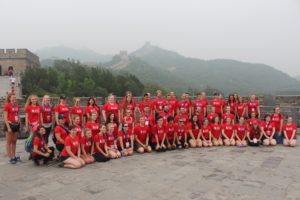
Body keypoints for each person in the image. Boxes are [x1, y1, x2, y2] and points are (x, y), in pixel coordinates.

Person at [3, 93, 21, 164]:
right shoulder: (7, 105)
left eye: (15, 97)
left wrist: (19, 123)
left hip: (16, 125)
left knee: (14, 141)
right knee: (9, 142)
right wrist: (8, 127)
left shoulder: (17, 105)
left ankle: (14, 155)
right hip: (10, 125)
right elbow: (5, 117)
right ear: (9, 98)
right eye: (12, 97)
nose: (14, 99)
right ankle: (10, 157)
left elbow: (18, 115)